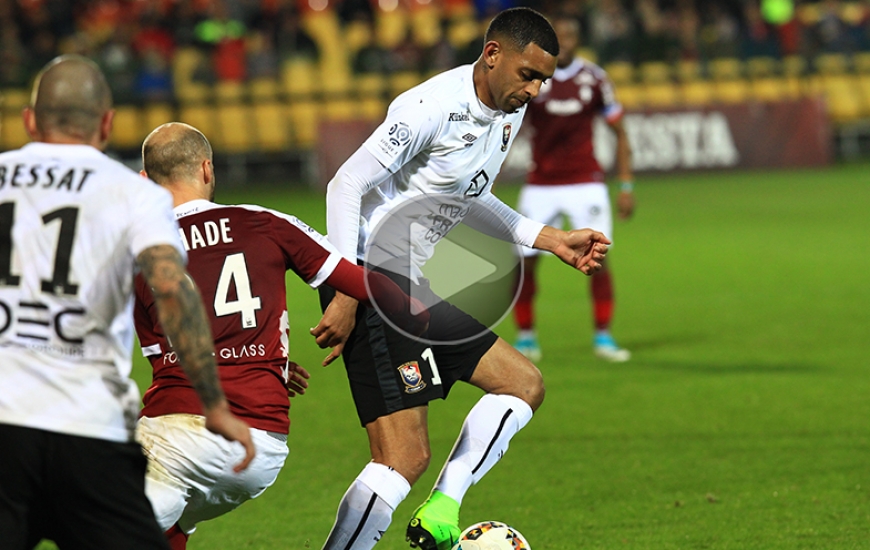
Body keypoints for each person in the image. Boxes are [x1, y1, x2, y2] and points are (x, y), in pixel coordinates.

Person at [312, 8, 611, 550]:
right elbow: (345, 183)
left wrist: (549, 239)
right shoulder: (429, 108)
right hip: (371, 276)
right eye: (528, 75)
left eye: (544, 79)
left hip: (410, 281)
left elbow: (469, 196)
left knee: (523, 384)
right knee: (403, 457)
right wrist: (345, 285)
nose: (536, 90)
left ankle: (440, 512)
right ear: (492, 54)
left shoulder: (507, 110)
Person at [133, 123, 429, 550]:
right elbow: (356, 279)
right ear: (207, 168)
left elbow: (162, 355)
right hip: (262, 448)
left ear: (145, 183)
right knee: (173, 520)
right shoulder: (266, 222)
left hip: (182, 433)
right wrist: (411, 309)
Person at [0, 55, 254, 550]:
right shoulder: (134, 196)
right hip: (88, 429)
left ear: (30, 120)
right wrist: (215, 404)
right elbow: (172, 289)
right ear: (107, 123)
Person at [512, 15, 635, 364]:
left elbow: (620, 132)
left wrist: (626, 184)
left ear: (578, 39)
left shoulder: (595, 78)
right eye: (558, 36)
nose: (563, 41)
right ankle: (525, 337)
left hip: (586, 183)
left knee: (598, 258)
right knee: (525, 262)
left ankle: (603, 336)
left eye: (569, 35)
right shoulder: (534, 77)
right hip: (540, 184)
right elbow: (508, 126)